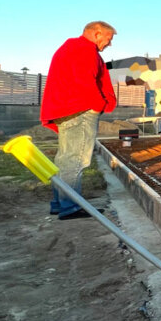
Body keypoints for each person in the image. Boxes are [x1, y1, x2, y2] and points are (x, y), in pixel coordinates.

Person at [40, 21, 117, 219]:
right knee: (76, 160)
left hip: (67, 110)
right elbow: (84, 80)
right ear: (97, 33)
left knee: (65, 158)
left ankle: (60, 203)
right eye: (108, 39)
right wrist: (98, 105)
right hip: (80, 110)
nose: (109, 44)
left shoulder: (70, 47)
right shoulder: (84, 49)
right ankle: (70, 207)